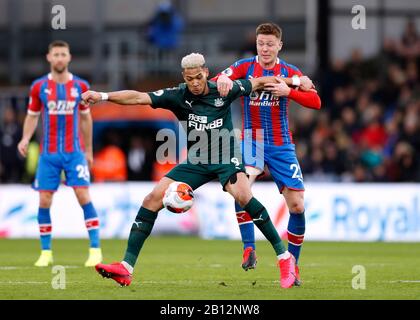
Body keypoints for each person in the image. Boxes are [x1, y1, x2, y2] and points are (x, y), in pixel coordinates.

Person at [82, 53, 298, 288]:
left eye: (197, 77)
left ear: (205, 72)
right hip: (197, 160)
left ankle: (284, 259)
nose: (194, 83)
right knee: (152, 199)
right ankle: (126, 268)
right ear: (183, 77)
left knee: (244, 196)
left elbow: (259, 81)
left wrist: (296, 82)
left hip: (226, 157)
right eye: (189, 79)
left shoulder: (224, 89)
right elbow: (137, 97)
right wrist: (102, 96)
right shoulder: (177, 95)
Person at [214, 22, 321, 285]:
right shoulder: (244, 66)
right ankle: (249, 247)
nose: (264, 48)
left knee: (297, 206)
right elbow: (217, 79)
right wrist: (225, 79)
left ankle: (292, 264)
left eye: (270, 44)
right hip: (252, 140)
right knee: (241, 187)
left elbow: (316, 101)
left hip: (282, 144)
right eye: (261, 43)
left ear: (279, 46)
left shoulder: (290, 72)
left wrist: (290, 92)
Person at [17, 40, 102, 267]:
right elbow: (33, 115)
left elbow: (86, 118)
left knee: (83, 196)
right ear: (49, 57)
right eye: (56, 55)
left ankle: (95, 250)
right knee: (44, 199)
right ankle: (46, 253)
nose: (59, 58)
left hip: (74, 153)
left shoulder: (80, 86)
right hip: (48, 154)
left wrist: (89, 150)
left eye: (63, 54)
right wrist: (25, 138)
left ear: (69, 57)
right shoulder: (39, 87)